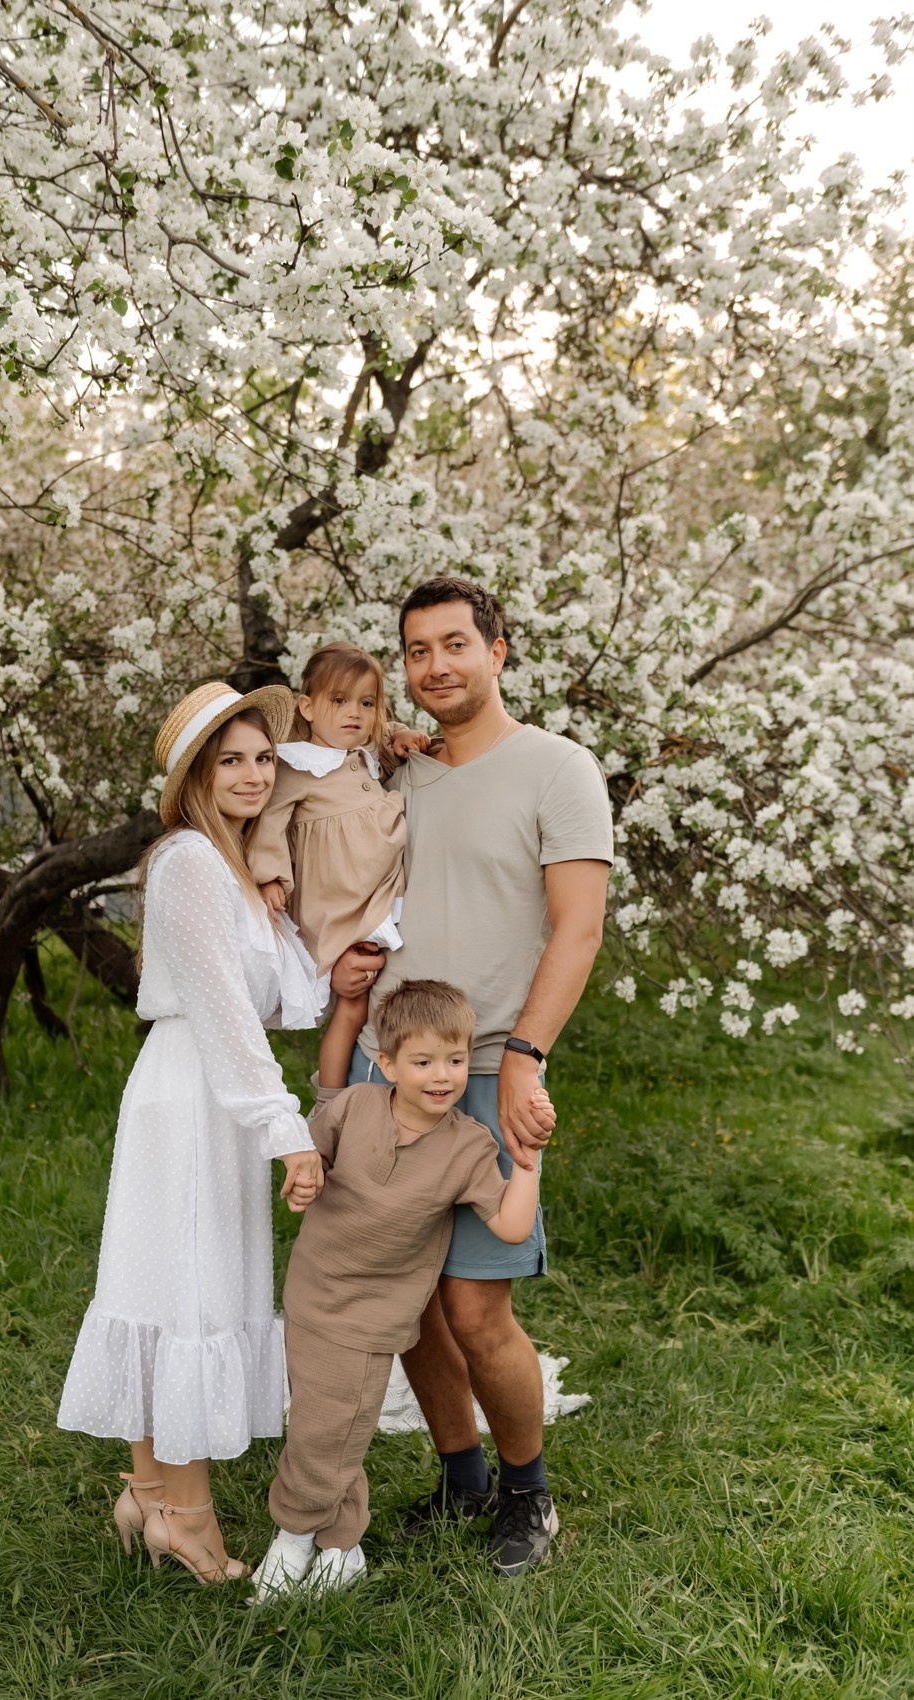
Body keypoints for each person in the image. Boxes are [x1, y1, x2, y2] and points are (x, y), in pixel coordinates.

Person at [331, 575, 613, 1577]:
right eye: (417, 651)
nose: (436, 665)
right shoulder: (395, 774)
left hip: (489, 1066)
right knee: (406, 1303)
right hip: (386, 1072)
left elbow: (576, 930)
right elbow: (287, 741)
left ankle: (528, 1495)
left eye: (455, 643)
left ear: (499, 650)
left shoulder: (557, 769)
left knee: (473, 1307)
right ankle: (461, 1481)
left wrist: (527, 1055)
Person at [57, 681, 327, 1585]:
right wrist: (286, 1128)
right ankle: (190, 1520)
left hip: (215, 1090)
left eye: (261, 758)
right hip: (194, 1090)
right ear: (194, 777)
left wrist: (282, 902)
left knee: (173, 1288)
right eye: (230, 761)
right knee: (188, 1295)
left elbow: (292, 998)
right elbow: (223, 1016)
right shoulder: (187, 864)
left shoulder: (236, 868)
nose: (252, 775)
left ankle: (148, 1495)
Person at [252, 980, 555, 1601]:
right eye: (422, 1062)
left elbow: (511, 1225)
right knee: (326, 1420)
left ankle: (294, 1533)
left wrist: (529, 1159)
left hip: (373, 1314)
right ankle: (341, 1543)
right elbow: (311, 1153)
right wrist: (301, 1181)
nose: (442, 1077)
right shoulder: (357, 1106)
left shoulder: (468, 1147)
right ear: (387, 1063)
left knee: (330, 1425)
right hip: (312, 1294)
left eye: (455, 1060)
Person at [246, 641, 427, 1088]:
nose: (355, 713)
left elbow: (386, 740)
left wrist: (398, 732)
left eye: (367, 703)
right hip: (339, 898)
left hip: (378, 886)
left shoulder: (361, 755)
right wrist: (270, 877)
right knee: (351, 1003)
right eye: (340, 701)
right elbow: (269, 822)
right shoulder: (296, 765)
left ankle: (378, 1078)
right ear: (307, 706)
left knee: (366, 999)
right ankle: (329, 1094)